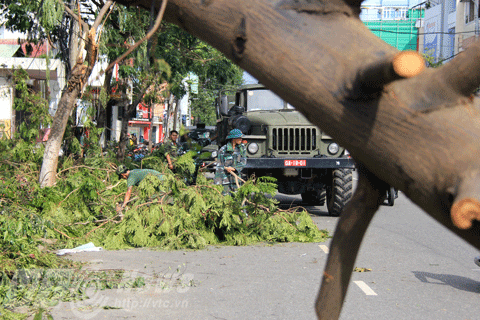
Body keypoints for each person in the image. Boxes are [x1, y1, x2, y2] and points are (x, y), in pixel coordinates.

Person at [214, 129, 247, 195]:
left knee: (237, 198)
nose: (241, 139)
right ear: (233, 139)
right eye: (239, 137)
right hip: (225, 180)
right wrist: (218, 183)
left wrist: (234, 168)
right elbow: (219, 167)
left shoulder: (242, 148)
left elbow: (243, 162)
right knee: (226, 200)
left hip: (236, 179)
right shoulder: (223, 150)